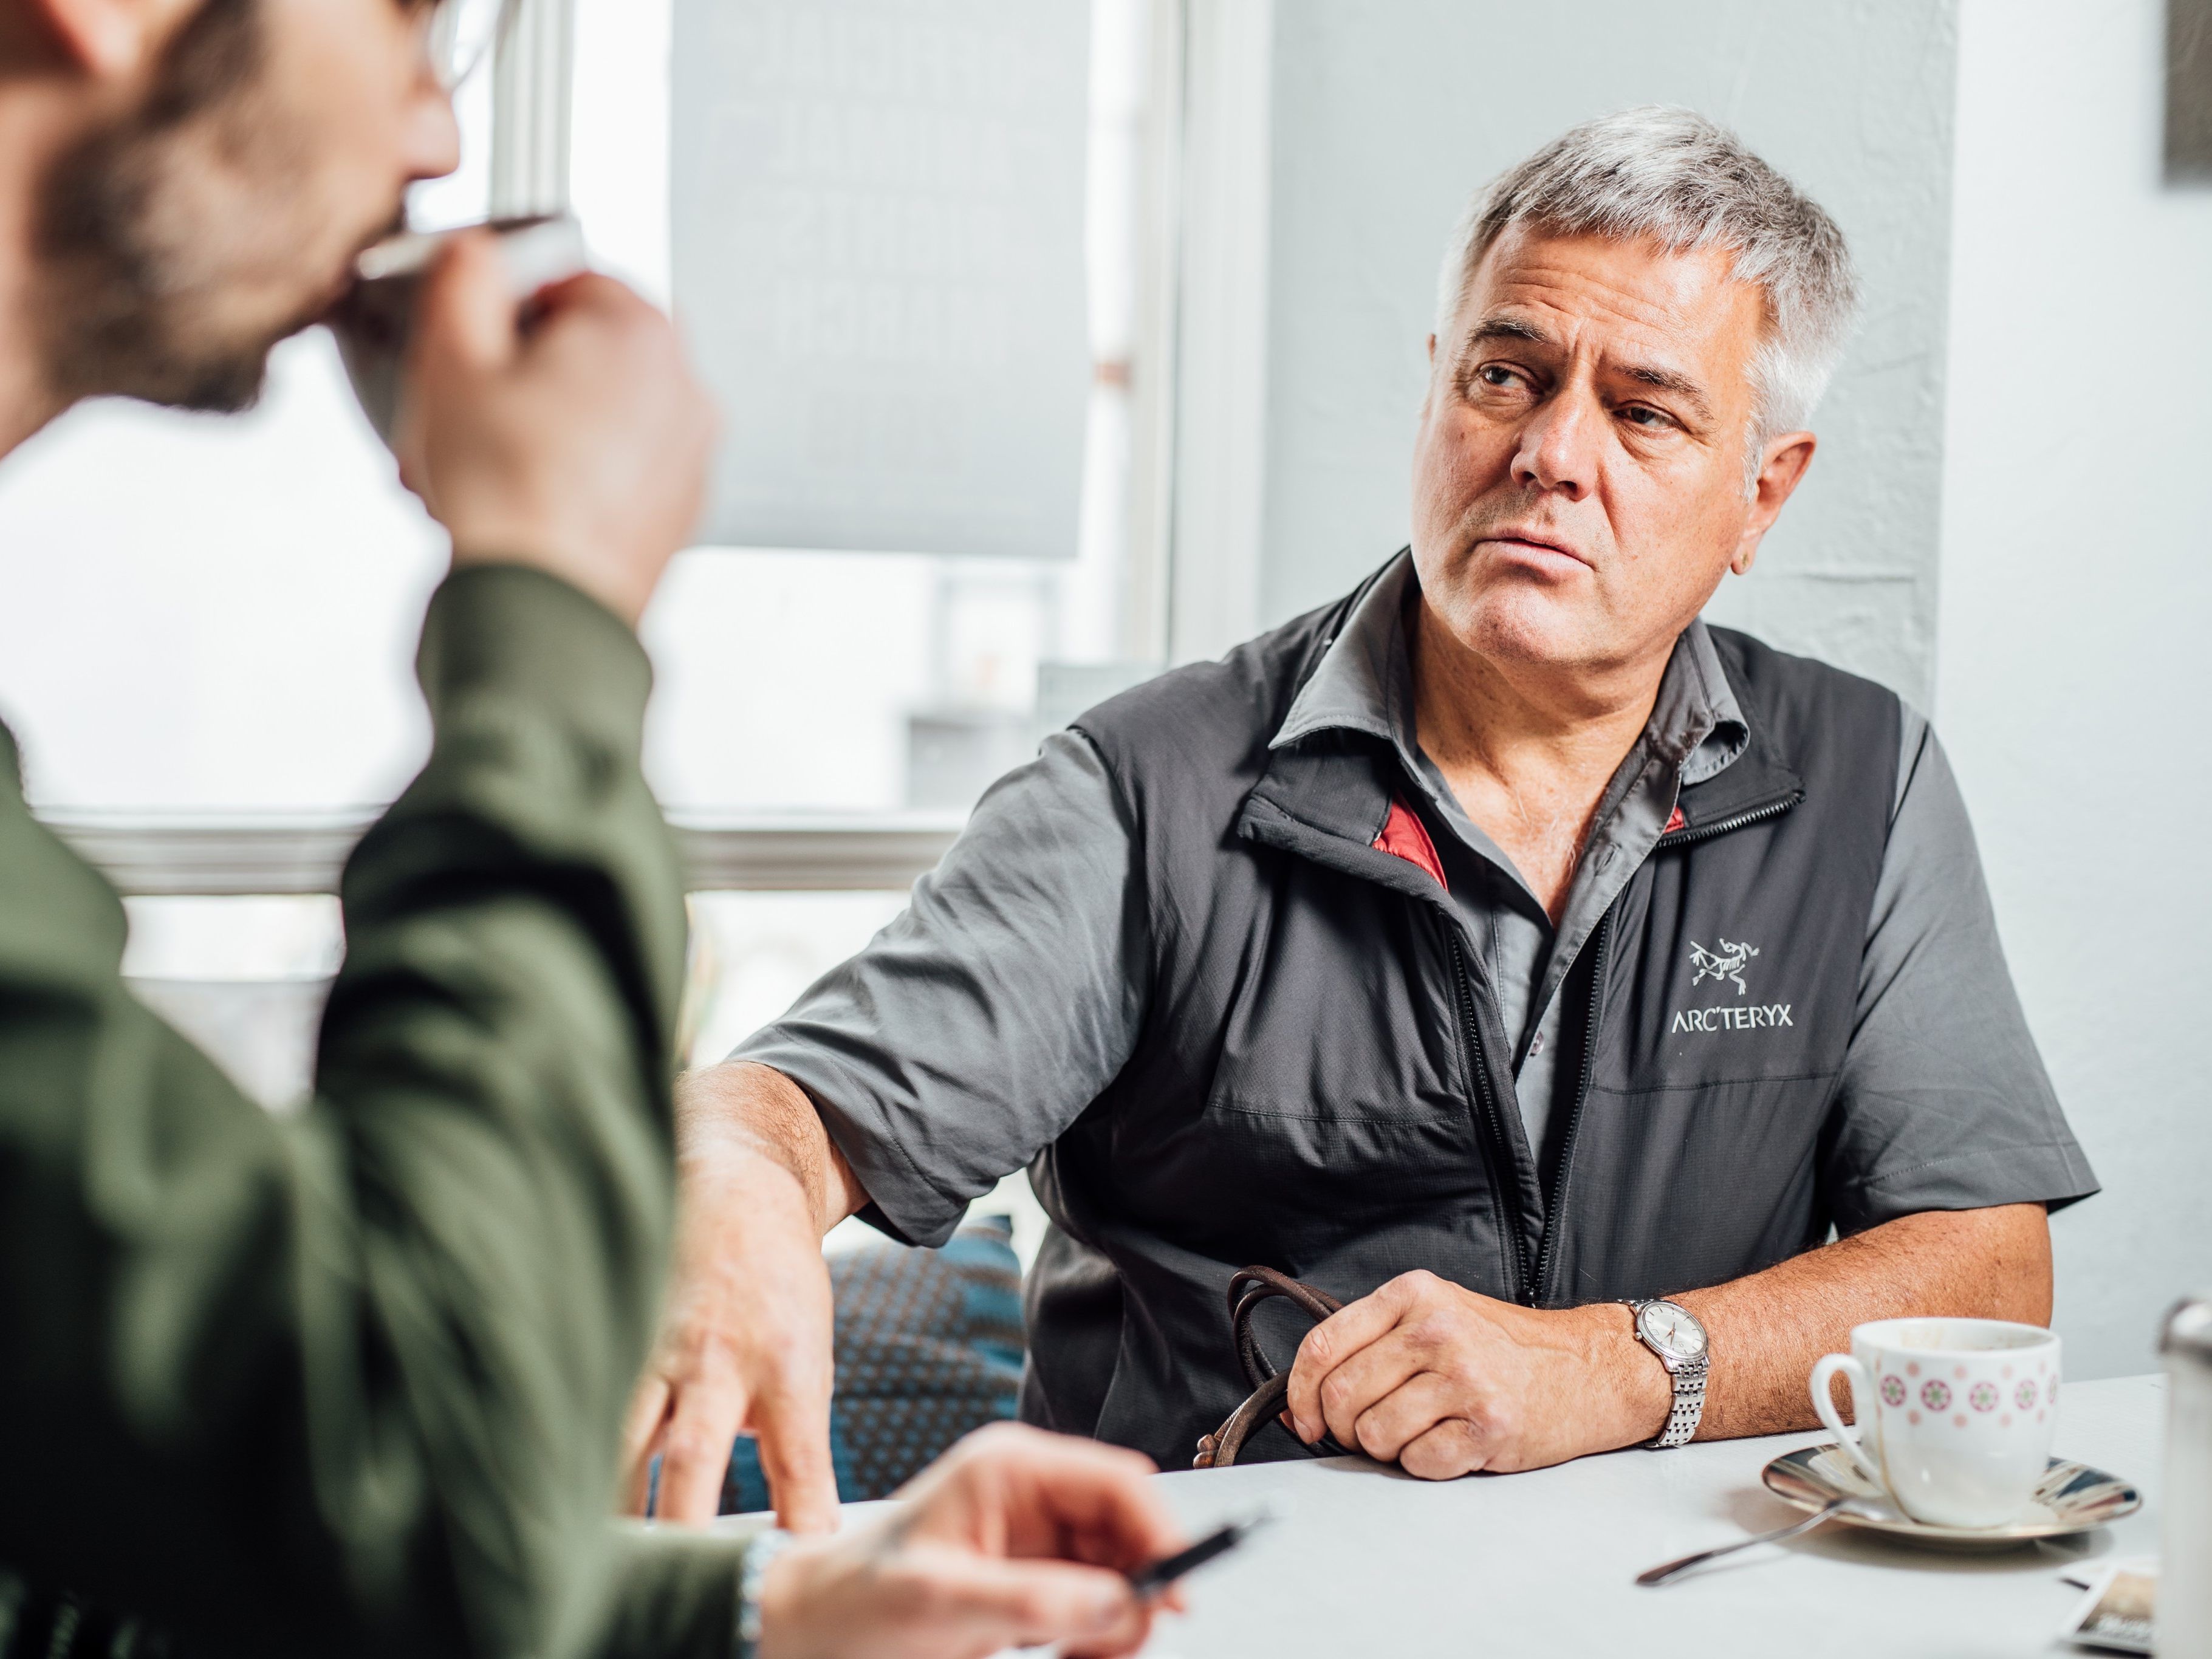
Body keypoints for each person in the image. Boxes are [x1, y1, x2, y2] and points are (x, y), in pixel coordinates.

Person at [630, 106, 2101, 1524]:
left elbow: (1983, 1269)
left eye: (1643, 412)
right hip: (1202, 1600)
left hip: (1671, 1608)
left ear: (1761, 496)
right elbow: (791, 1112)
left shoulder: (1862, 777)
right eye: (1506, 376)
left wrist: (1615, 1367)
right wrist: (737, 1180)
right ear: (1437, 391)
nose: (1550, 454)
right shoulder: (1146, 790)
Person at [0, 2, 1181, 1656]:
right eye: (412, 29)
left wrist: (776, 1600)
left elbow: (136, 1532)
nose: (434, 141)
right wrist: (551, 591)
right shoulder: (1163, 775)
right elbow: (428, 1470)